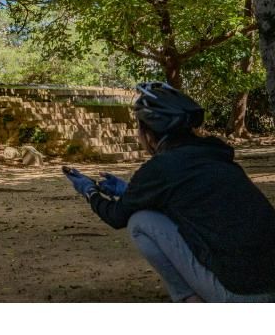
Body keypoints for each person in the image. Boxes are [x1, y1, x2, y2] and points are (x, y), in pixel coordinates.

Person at [64, 81, 275, 302]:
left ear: (148, 133)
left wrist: (89, 191)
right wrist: (129, 190)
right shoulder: (214, 155)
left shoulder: (161, 168)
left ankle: (189, 300)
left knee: (140, 221)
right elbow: (187, 197)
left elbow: (116, 216)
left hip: (243, 295)